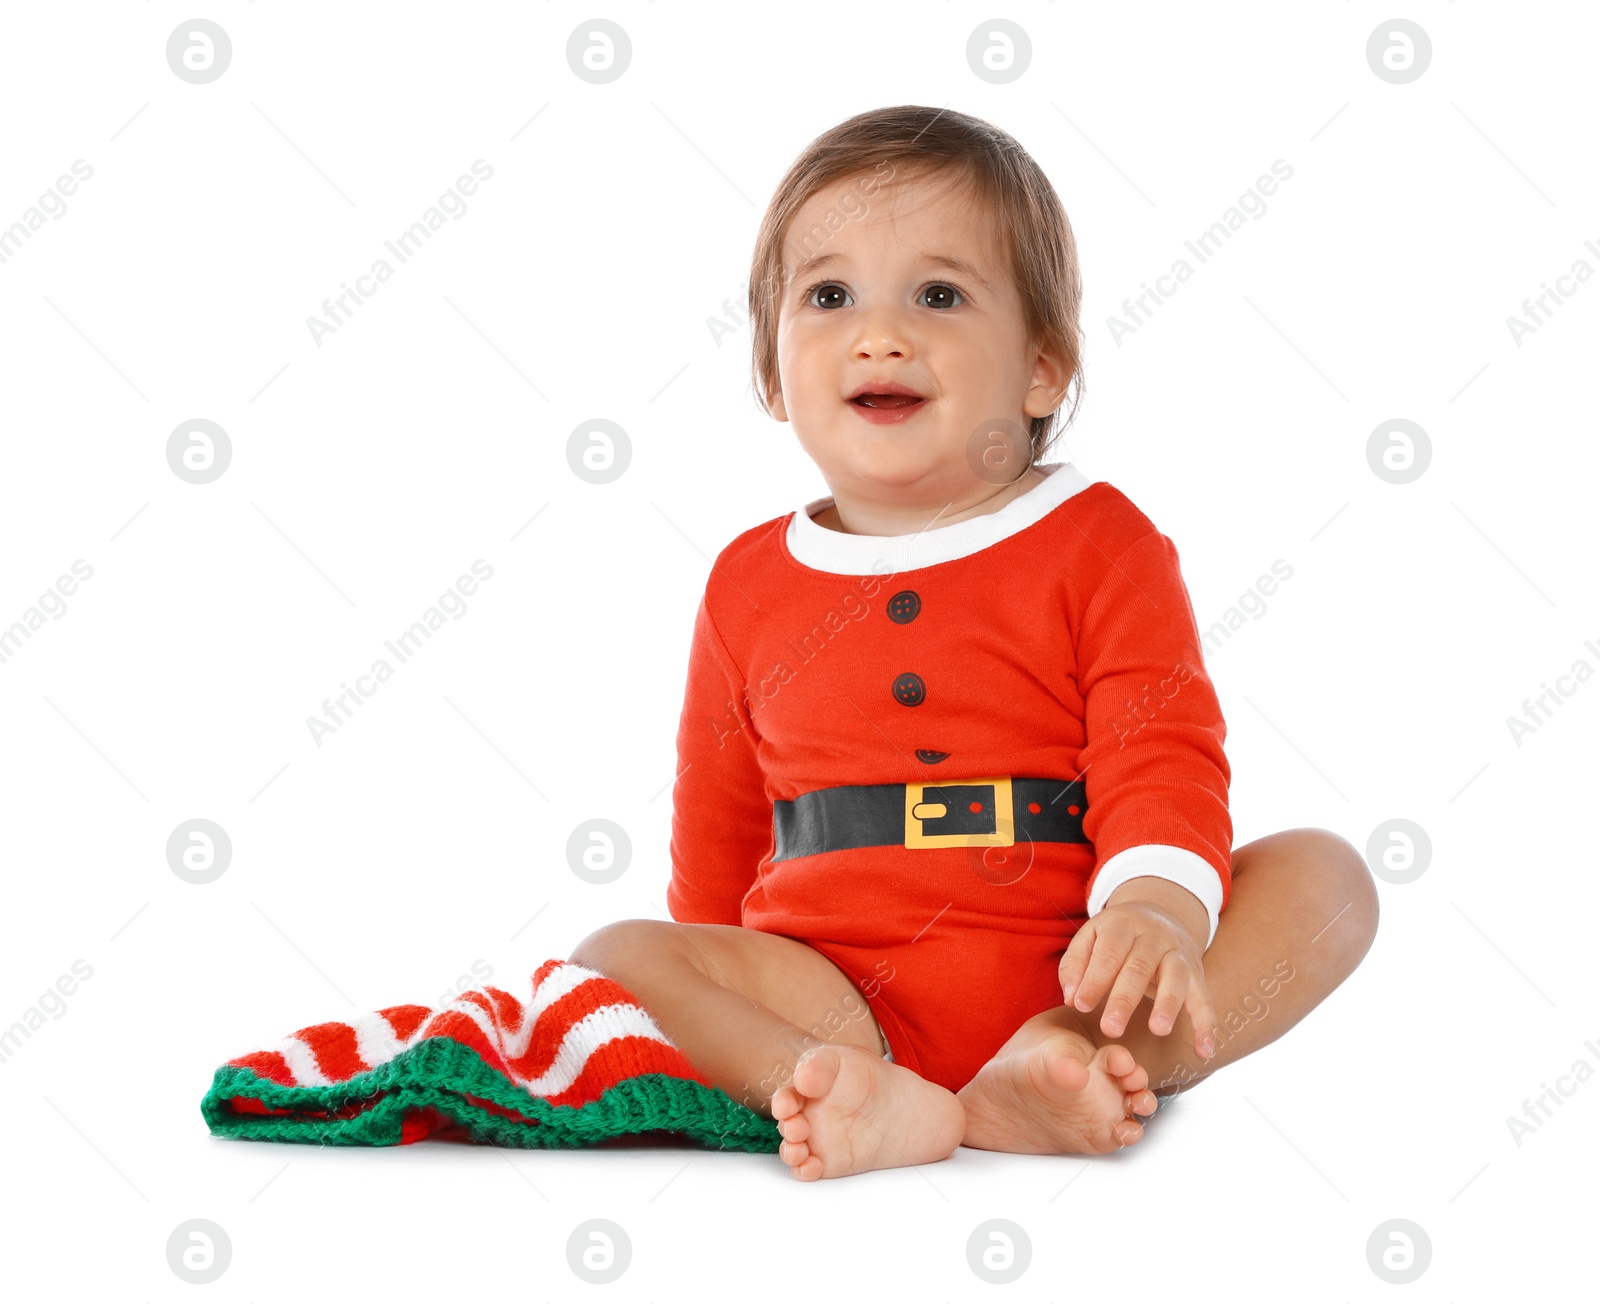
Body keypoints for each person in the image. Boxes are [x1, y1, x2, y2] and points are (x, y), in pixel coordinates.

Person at [569, 104, 1378, 1181]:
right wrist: (720, 983)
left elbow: (1161, 743)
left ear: (1041, 370)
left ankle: (1073, 1060)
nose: (879, 332)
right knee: (615, 955)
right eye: (827, 295)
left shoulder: (1099, 539)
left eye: (938, 295)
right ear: (772, 372)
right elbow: (716, 826)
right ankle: (838, 1088)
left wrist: (1153, 907)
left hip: (1077, 969)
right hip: (832, 992)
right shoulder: (745, 581)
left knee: (1328, 879)